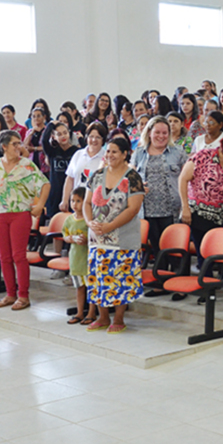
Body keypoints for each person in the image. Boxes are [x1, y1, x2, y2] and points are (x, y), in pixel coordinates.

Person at [84, 136, 145, 333]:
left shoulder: (132, 177)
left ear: (125, 154)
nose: (109, 155)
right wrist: (89, 222)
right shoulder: (97, 175)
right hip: (97, 238)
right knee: (99, 277)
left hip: (123, 238)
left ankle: (118, 318)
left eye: (114, 152)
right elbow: (86, 203)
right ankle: (102, 317)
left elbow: (133, 209)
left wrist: (110, 226)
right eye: (108, 151)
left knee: (121, 278)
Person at [0, 130, 50, 311]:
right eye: (15, 144)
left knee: (18, 256)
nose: (19, 147)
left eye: (20, 143)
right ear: (4, 146)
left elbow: (45, 184)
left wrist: (40, 205)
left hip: (20, 214)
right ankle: (10, 293)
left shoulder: (27, 165)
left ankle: (23, 295)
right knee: (4, 256)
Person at [179, 133, 223, 306]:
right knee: (204, 256)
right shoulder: (203, 156)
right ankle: (207, 290)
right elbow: (183, 179)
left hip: (222, 216)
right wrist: (185, 207)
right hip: (199, 214)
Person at [132, 116, 187, 259]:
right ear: (149, 132)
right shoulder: (139, 153)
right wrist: (137, 187)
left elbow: (188, 179)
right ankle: (159, 279)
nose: (161, 136)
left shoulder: (179, 152)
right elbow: (129, 179)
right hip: (147, 209)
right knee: (156, 250)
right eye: (157, 132)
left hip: (171, 208)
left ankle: (174, 279)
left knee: (174, 250)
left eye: (164, 133)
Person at [62, 187, 96, 325]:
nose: (74, 204)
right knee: (80, 288)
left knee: (92, 287)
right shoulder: (69, 219)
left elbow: (95, 237)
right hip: (76, 258)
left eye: (78, 201)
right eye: (72, 201)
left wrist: (86, 240)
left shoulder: (90, 219)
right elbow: (64, 234)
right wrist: (69, 239)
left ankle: (92, 312)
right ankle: (80, 312)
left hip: (88, 258)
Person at [62, 121, 107, 213]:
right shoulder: (78, 154)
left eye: (98, 137)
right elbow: (70, 178)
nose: (94, 140)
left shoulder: (106, 157)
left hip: (96, 205)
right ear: (86, 138)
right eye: (91, 136)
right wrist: (65, 200)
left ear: (103, 140)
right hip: (77, 204)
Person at [42, 119, 80, 219]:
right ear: (54, 137)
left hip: (71, 190)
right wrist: (50, 125)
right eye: (59, 134)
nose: (63, 136)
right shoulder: (52, 151)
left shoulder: (76, 151)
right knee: (54, 220)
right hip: (55, 192)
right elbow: (44, 141)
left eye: (65, 133)